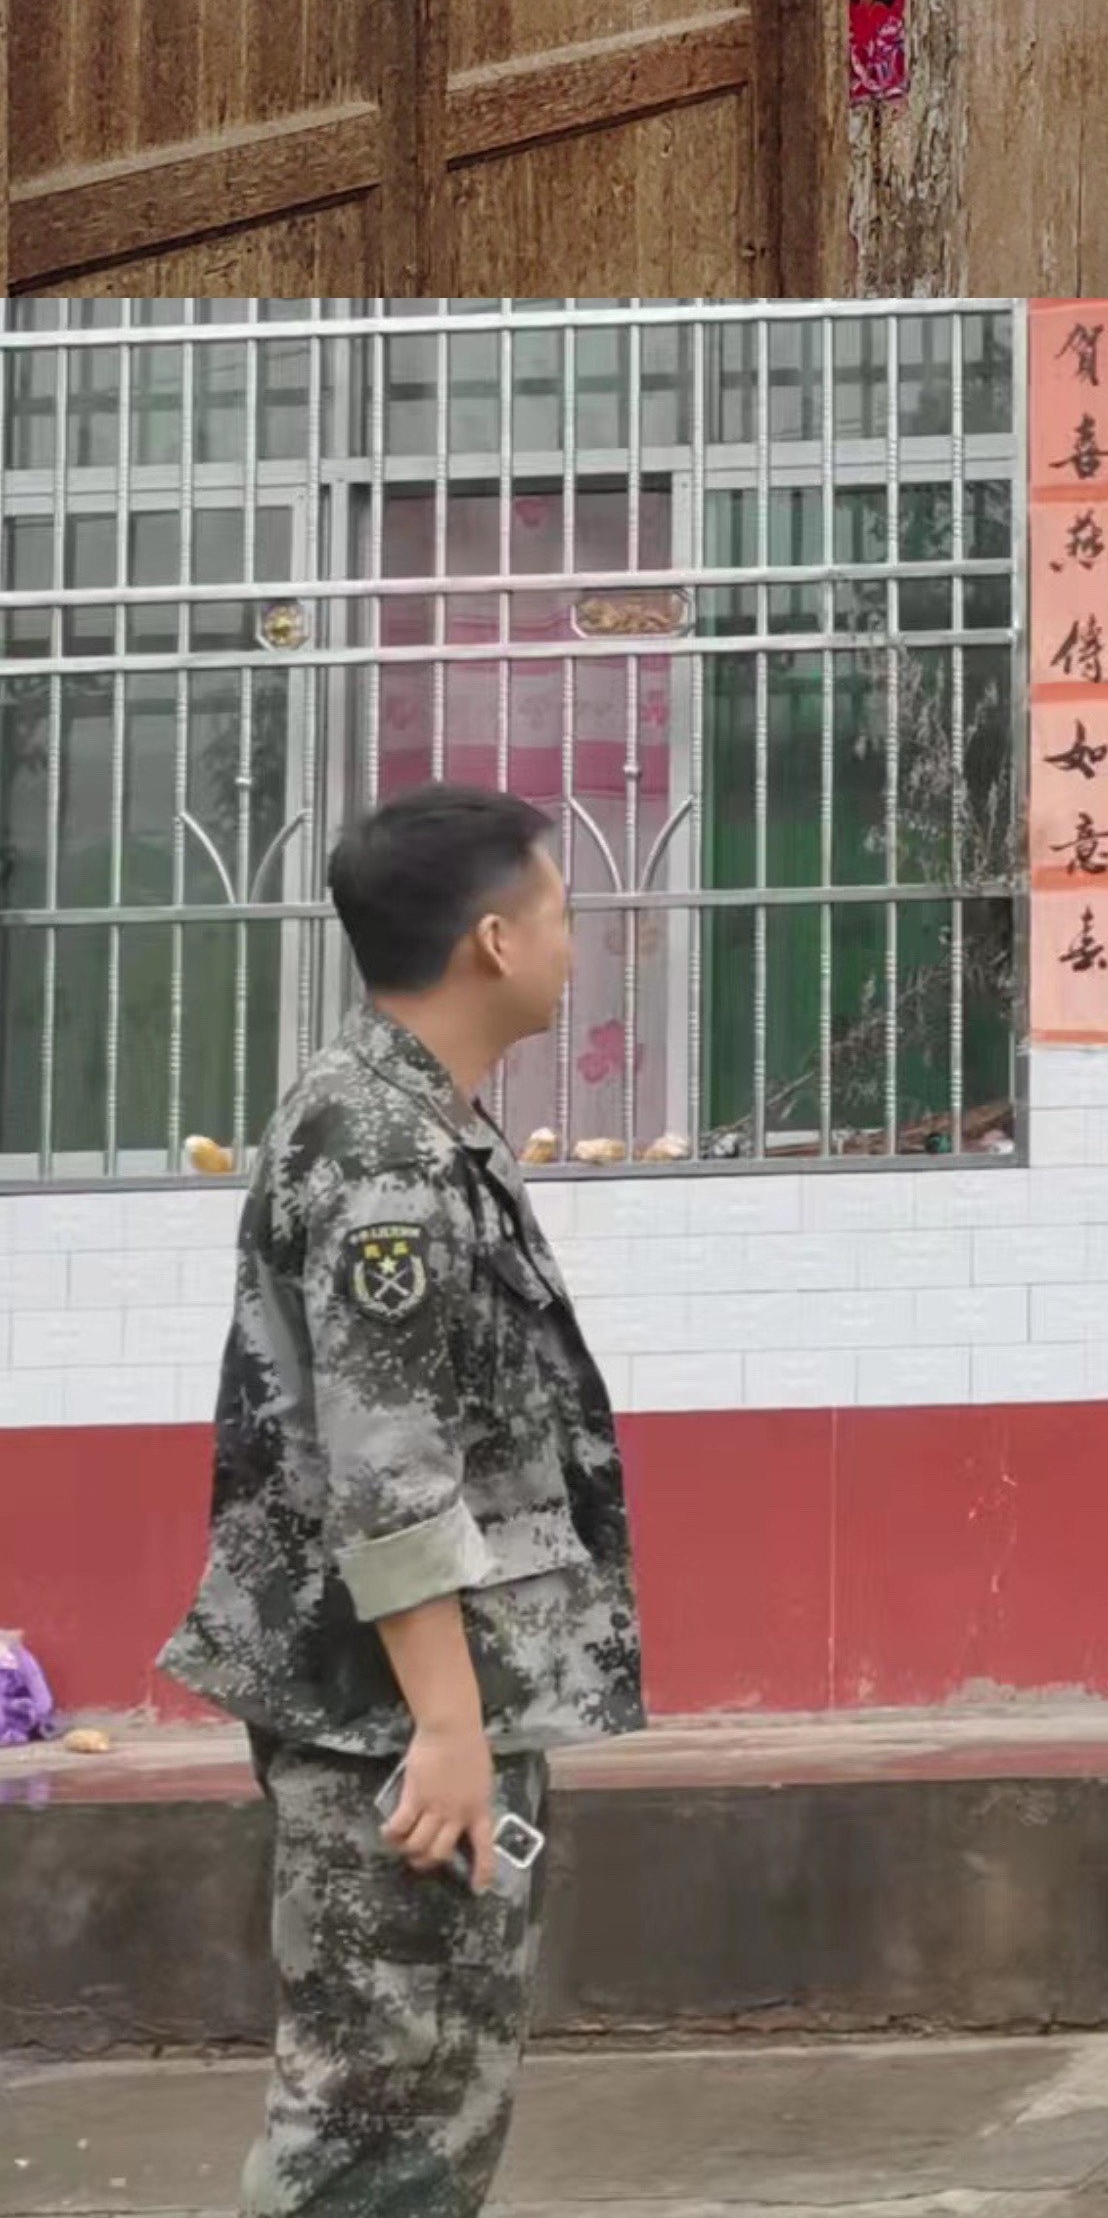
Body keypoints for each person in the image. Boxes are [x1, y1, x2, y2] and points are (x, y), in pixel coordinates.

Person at [165, 784, 642, 2218]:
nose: (578, 945)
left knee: (430, 2101)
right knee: (375, 2118)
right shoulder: (382, 1156)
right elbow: (389, 1471)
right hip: (389, 1721)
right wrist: (447, 1731)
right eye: (563, 915)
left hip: (425, 1708)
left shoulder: (414, 1124)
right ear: (493, 941)